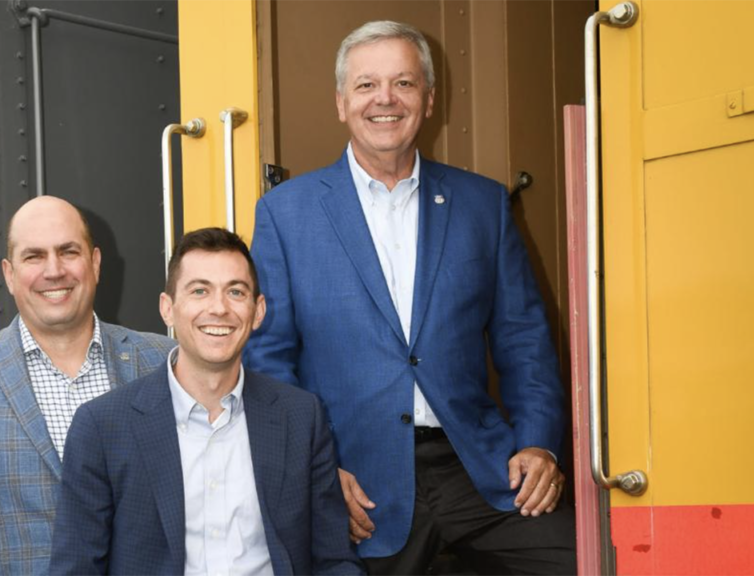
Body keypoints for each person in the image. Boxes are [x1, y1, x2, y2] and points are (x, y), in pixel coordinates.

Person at [244, 20, 576, 575]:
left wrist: (539, 445)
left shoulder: (483, 204)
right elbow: (267, 359)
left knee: (594, 561)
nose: (385, 99)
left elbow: (525, 341)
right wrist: (315, 471)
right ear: (341, 102)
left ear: (428, 99)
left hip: (482, 471)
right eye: (367, 85)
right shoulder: (285, 213)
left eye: (403, 83)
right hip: (356, 483)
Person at [0, 196, 175, 574]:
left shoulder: (163, 362)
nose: (54, 271)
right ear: (8, 274)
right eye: (34, 256)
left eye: (68, 251)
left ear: (95, 262)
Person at [49, 228, 363, 575]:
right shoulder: (102, 427)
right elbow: (76, 568)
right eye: (200, 291)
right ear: (168, 309)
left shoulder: (301, 418)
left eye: (236, 292)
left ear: (258, 312)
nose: (219, 308)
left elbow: (334, 560)